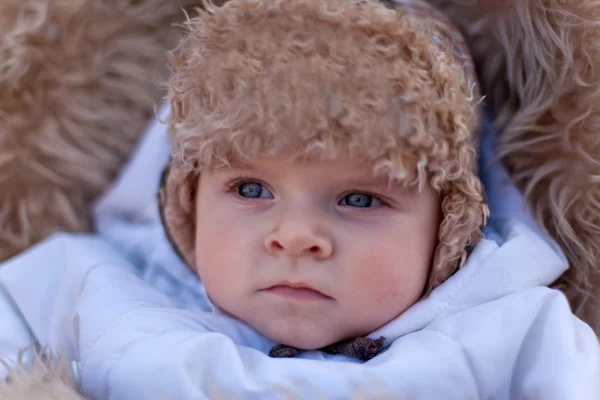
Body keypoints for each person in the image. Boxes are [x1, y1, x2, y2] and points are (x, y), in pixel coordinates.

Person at [0, 0, 598, 398]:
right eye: (250, 189)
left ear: (450, 226)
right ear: (185, 200)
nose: (294, 235)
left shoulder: (515, 334)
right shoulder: (93, 287)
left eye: (360, 199)